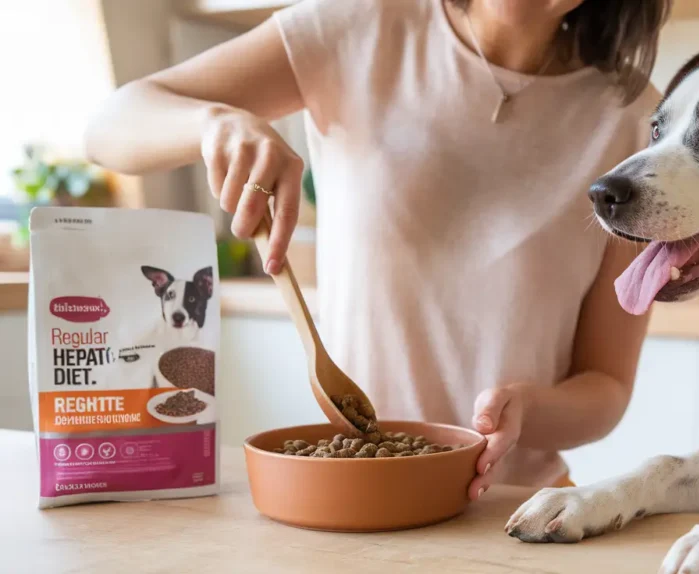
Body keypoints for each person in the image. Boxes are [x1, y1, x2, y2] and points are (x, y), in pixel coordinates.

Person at [85, 0, 669, 498]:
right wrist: (216, 123)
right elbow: (109, 127)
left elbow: (606, 385)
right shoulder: (357, 28)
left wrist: (526, 411)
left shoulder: (637, 122)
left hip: (515, 510)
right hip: (348, 493)